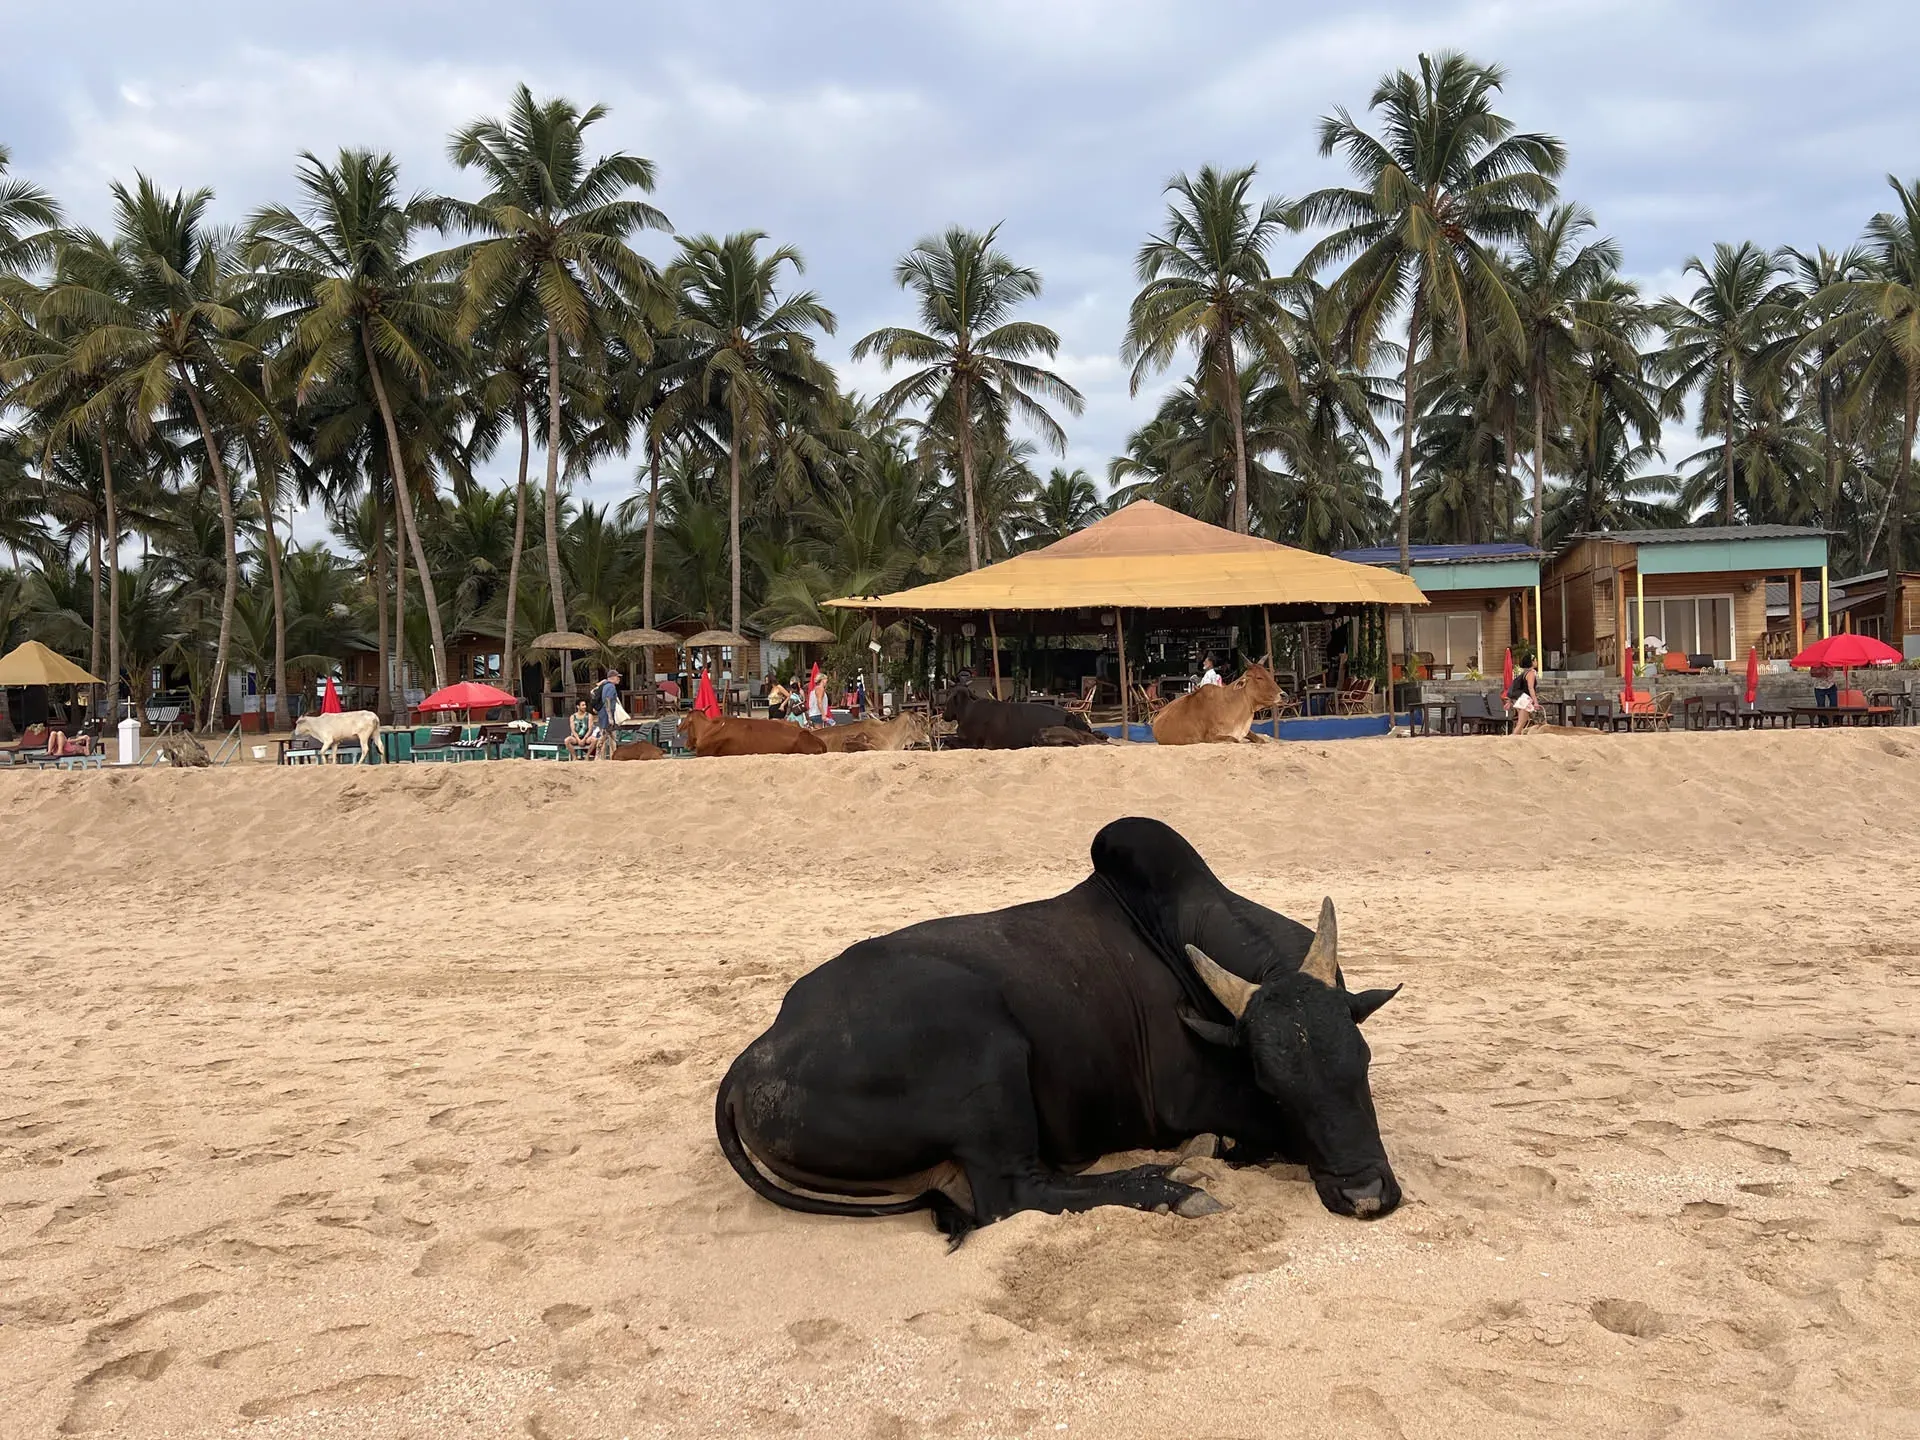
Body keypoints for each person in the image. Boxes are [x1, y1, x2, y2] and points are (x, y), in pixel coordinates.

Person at [1506, 649, 1541, 736]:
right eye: (1535, 660)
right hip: (1525, 699)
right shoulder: (1531, 673)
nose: (1536, 661)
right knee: (1521, 723)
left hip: (1521, 698)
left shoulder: (1524, 673)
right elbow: (1530, 688)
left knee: (1523, 722)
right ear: (1531, 662)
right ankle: (1511, 739)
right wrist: (1535, 702)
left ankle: (1516, 738)